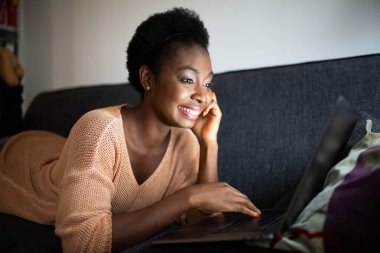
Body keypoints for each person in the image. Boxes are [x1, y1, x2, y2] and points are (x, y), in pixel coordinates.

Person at [0, 7, 260, 253]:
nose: (203, 95)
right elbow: (82, 243)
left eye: (207, 83)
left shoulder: (186, 142)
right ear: (148, 79)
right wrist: (187, 197)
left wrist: (208, 144)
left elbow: (207, 224)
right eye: (188, 79)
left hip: (62, 152)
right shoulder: (98, 130)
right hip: (18, 162)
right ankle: (9, 79)